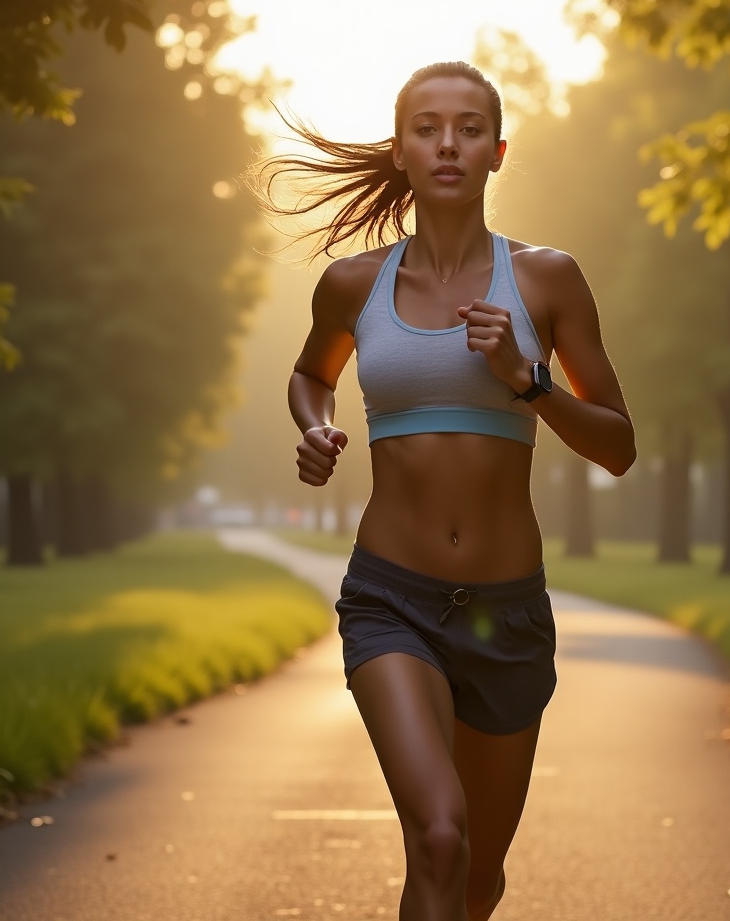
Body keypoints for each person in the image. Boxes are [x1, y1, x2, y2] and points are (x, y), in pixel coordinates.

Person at [253, 61, 635, 921]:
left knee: (477, 878)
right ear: (402, 151)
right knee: (436, 835)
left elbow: (619, 445)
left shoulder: (546, 279)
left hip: (509, 612)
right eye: (427, 128)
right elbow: (309, 375)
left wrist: (528, 380)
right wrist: (313, 427)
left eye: (469, 128)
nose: (448, 142)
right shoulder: (354, 285)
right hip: (394, 598)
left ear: (498, 152)